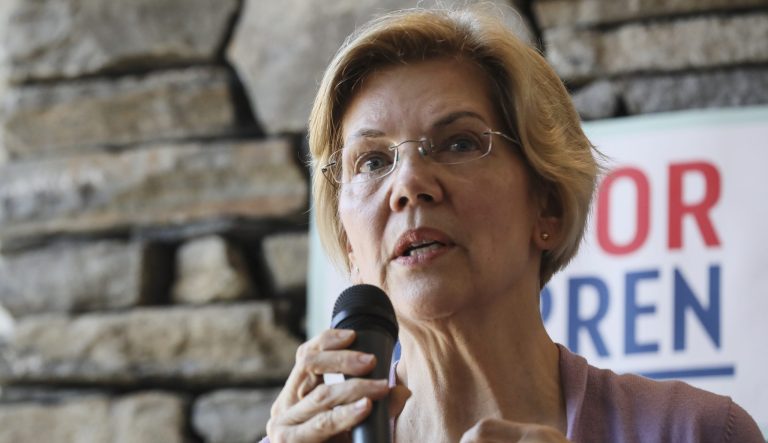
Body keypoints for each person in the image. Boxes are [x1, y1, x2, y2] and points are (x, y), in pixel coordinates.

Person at [264, 6, 763, 443]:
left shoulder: (699, 431)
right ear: (350, 244)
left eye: (459, 143)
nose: (410, 183)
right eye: (372, 161)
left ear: (546, 206)